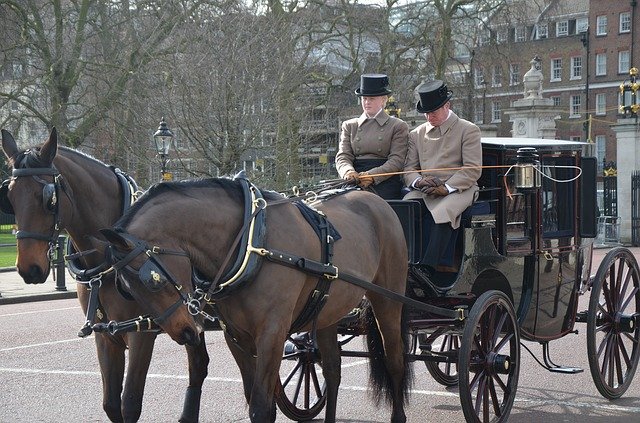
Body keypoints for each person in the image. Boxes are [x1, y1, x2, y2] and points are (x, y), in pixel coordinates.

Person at [403, 80, 482, 280]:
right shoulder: (416, 134)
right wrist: (418, 182)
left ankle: (428, 269)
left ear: (447, 106)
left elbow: (473, 169)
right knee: (404, 207)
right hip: (425, 189)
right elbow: (409, 169)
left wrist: (447, 188)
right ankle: (405, 262)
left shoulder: (468, 129)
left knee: (443, 211)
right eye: (426, 113)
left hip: (460, 188)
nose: (429, 117)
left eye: (434, 112)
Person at [335, 73, 409, 200]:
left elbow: (397, 160)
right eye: (364, 99)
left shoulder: (397, 126)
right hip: (354, 178)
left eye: (372, 99)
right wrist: (348, 172)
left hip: (384, 180)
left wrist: (372, 176)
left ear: (383, 100)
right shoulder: (349, 125)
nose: (367, 102)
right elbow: (343, 156)